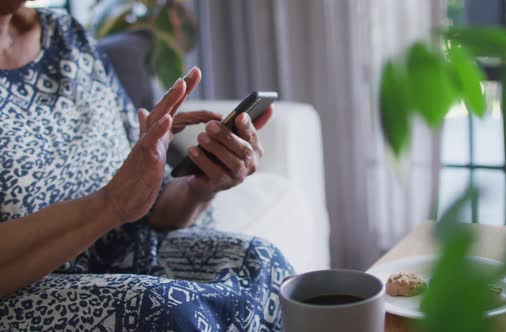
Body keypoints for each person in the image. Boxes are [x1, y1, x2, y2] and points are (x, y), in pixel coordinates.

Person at [0, 2, 293, 331]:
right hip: (24, 291)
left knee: (263, 264)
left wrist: (201, 187)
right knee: (168, 313)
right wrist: (110, 204)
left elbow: (146, 206)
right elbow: (120, 201)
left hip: (121, 253)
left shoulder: (65, 36)